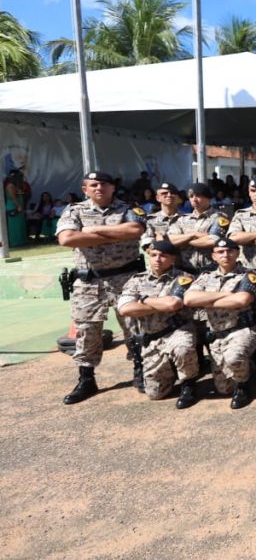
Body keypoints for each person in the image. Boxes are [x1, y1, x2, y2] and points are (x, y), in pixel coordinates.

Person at [56, 171, 147, 404]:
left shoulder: (128, 208)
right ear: (85, 189)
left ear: (112, 187)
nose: (99, 188)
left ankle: (140, 369)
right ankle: (86, 378)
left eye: (104, 184)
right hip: (89, 281)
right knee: (87, 330)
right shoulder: (74, 210)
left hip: (126, 278)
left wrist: (88, 232)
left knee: (134, 326)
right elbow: (66, 239)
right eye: (93, 184)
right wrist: (114, 235)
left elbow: (135, 231)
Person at [116, 240, 200, 408]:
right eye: (153, 255)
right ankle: (170, 371)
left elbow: (173, 304)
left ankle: (188, 384)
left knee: (182, 348)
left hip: (177, 331)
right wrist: (158, 304)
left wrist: (144, 300)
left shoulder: (184, 278)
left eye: (163, 256)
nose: (157, 259)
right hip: (151, 336)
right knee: (155, 394)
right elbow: (125, 309)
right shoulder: (136, 280)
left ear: (173, 259)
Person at [183, 237, 256, 409]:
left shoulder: (249, 275)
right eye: (220, 252)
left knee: (234, 358)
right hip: (217, 333)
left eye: (230, 251)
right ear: (213, 256)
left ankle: (243, 387)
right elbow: (189, 299)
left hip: (244, 328)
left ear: (237, 253)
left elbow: (242, 300)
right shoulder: (205, 277)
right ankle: (250, 365)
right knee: (224, 388)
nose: (225, 254)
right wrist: (227, 296)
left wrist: (206, 300)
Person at [166, 183, 229, 275]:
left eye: (198, 196)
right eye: (191, 196)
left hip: (210, 270)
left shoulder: (220, 217)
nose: (194, 199)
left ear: (208, 197)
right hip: (184, 270)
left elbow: (212, 241)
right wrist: (193, 235)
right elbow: (170, 240)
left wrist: (183, 240)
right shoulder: (182, 219)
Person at [3, 170, 28, 248]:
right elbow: (13, 197)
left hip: (18, 205)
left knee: (20, 225)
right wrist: (19, 206)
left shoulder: (16, 185)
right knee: (15, 226)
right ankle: (15, 242)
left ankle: (21, 241)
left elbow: (20, 194)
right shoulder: (10, 185)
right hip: (13, 206)